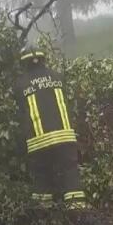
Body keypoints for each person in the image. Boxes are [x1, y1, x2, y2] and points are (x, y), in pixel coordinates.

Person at [14, 48, 87, 210]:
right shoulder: (58, 77)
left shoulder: (20, 84)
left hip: (38, 140)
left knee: (41, 175)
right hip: (64, 135)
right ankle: (77, 210)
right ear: (43, 60)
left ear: (24, 64)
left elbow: (20, 113)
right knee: (70, 171)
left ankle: (43, 214)